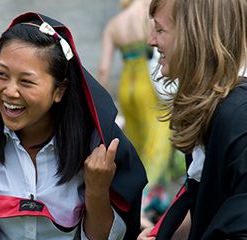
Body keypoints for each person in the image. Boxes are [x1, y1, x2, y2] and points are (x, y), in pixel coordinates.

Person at [0, 12, 148, 240]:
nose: (10, 91)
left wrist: (97, 192)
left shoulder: (96, 142)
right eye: (1, 74)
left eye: (26, 81)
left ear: (59, 91)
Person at [138, 0, 247, 239]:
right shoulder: (217, 104)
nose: (151, 40)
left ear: (194, 35)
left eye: (160, 29)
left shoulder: (246, 115)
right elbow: (205, 204)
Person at [98, 0, 173, 228]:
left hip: (126, 87)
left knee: (138, 145)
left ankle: (157, 199)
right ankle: (144, 200)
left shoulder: (114, 24)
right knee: (158, 143)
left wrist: (102, 107)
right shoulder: (148, 14)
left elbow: (103, 69)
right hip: (148, 85)